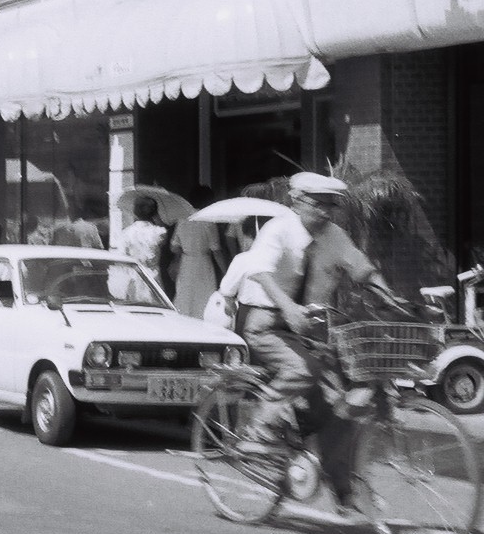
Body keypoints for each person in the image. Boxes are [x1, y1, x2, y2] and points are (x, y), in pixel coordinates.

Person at [217, 172, 398, 514]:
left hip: (309, 332)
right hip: (267, 324)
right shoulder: (278, 229)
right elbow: (259, 270)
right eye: (319, 204)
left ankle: (343, 490)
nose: (327, 212)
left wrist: (387, 294)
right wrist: (287, 306)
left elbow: (361, 268)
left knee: (338, 409)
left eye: (332, 205)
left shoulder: (334, 235)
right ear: (297, 201)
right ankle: (258, 432)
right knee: (303, 369)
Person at [168, 184, 229, 318]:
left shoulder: (182, 218)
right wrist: (226, 271)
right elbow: (216, 250)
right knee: (204, 297)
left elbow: (174, 246)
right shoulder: (208, 220)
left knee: (185, 296)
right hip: (203, 263)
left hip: (186, 262)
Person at [117, 196, 169, 278]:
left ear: (135, 211)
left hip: (132, 274)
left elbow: (122, 254)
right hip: (152, 275)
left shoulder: (126, 232)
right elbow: (164, 238)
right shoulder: (160, 232)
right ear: (155, 212)